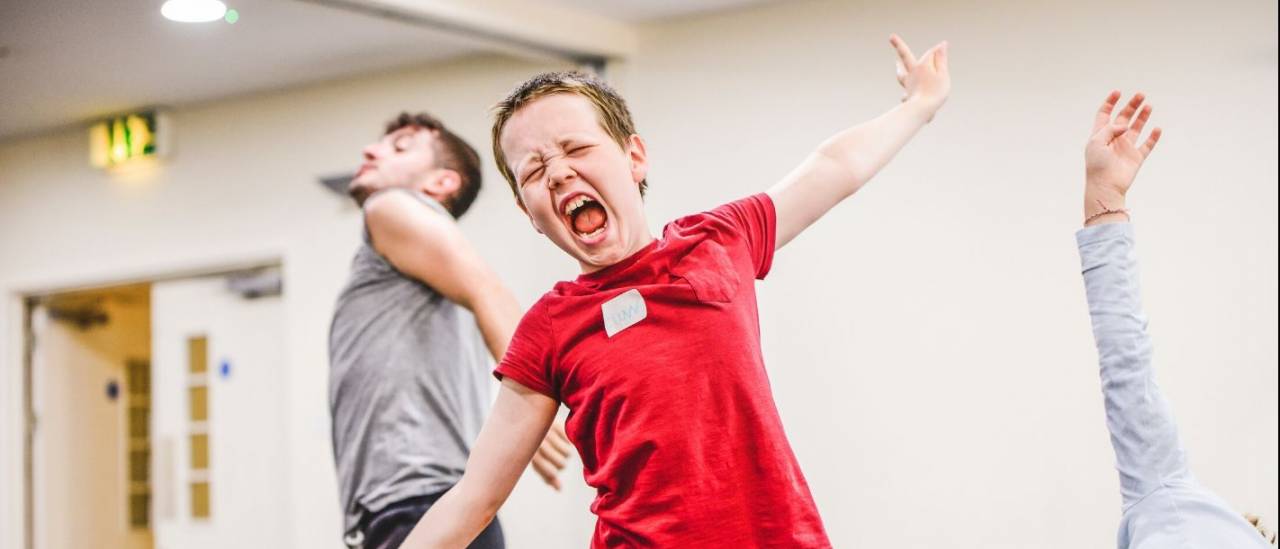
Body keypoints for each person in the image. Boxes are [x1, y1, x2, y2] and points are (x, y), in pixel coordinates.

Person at [400, 34, 950, 548]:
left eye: (575, 148)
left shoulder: (717, 241)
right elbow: (475, 496)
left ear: (633, 156)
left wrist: (917, 106)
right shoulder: (550, 327)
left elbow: (834, 166)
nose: (559, 174)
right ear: (530, 214)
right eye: (534, 169)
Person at [329, 112, 573, 549]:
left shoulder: (389, 206)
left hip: (419, 505)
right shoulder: (419, 264)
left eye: (400, 146)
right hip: (414, 507)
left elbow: (488, 291)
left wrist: (534, 399)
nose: (371, 150)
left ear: (441, 183)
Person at [1075, 90, 1275, 548]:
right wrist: (1105, 203)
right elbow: (1128, 369)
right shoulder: (1169, 501)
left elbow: (1128, 373)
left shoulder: (1167, 501)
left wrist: (1104, 203)